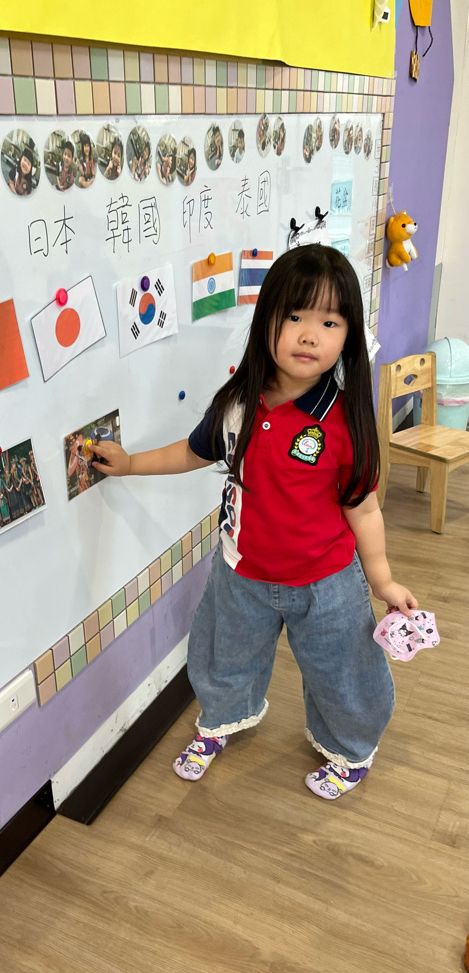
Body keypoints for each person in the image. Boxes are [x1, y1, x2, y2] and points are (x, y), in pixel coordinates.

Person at [89, 245, 417, 802]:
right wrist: (130, 464)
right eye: (295, 316)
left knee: (345, 671)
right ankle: (218, 722)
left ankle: (351, 750)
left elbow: (363, 506)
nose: (309, 335)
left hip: (327, 583)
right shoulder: (238, 401)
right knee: (223, 656)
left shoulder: (343, 418)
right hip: (241, 574)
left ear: (348, 336)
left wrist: (382, 580)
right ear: (267, 320)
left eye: (329, 322)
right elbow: (193, 452)